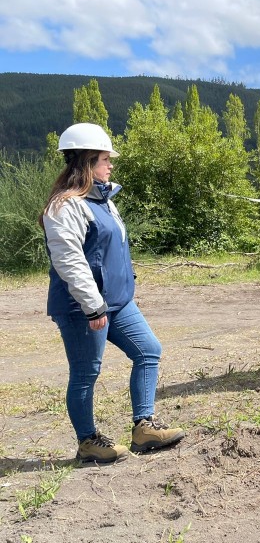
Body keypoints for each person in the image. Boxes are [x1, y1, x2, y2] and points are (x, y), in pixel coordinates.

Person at [40, 123, 185, 464]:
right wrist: (93, 307)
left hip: (117, 303)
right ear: (87, 162)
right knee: (86, 372)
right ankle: (87, 441)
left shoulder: (103, 199)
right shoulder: (64, 206)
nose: (110, 166)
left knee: (148, 350)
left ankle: (144, 427)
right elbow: (70, 260)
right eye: (105, 159)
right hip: (83, 307)